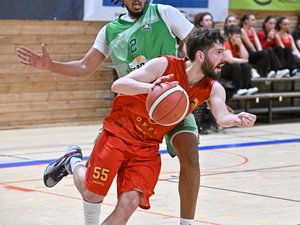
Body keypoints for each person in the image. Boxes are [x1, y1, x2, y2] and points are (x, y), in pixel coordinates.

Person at [43, 27, 256, 225]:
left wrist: (235, 119)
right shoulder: (165, 65)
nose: (224, 58)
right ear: (200, 55)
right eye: (219, 52)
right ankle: (73, 161)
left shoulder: (213, 88)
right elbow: (118, 85)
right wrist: (152, 88)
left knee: (130, 203)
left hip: (147, 147)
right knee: (93, 194)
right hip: (119, 133)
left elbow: (220, 116)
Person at [16, 0, 202, 224]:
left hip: (171, 100)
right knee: (92, 189)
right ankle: (72, 162)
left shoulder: (165, 13)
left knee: (190, 155)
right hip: (131, 113)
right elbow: (85, 66)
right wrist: (51, 65)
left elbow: (199, 46)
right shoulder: (110, 31)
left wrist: (211, 91)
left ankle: (187, 223)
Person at [240, 13, 290, 79]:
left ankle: (278, 70)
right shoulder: (242, 30)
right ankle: (268, 72)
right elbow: (249, 45)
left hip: (254, 51)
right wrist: (258, 52)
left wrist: (260, 51)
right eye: (252, 20)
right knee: (265, 52)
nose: (255, 21)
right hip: (247, 53)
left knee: (268, 50)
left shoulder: (252, 29)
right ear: (246, 21)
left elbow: (257, 42)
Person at [222, 25, 258, 97]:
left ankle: (248, 87)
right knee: (236, 65)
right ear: (230, 35)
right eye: (236, 36)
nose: (237, 38)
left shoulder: (237, 44)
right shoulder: (226, 43)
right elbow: (230, 60)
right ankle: (238, 89)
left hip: (232, 68)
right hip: (223, 69)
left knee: (246, 66)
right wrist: (244, 60)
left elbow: (245, 57)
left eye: (239, 36)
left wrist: (241, 45)